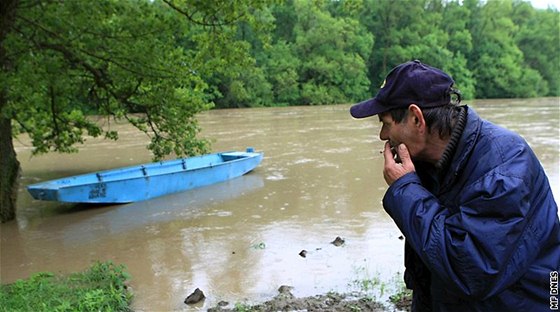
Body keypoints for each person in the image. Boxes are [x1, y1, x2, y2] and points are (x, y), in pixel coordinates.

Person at [350, 60, 560, 311]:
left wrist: (406, 190)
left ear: (416, 119)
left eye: (385, 123)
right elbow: (429, 264)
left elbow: (471, 271)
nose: (383, 136)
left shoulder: (505, 167)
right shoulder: (425, 160)